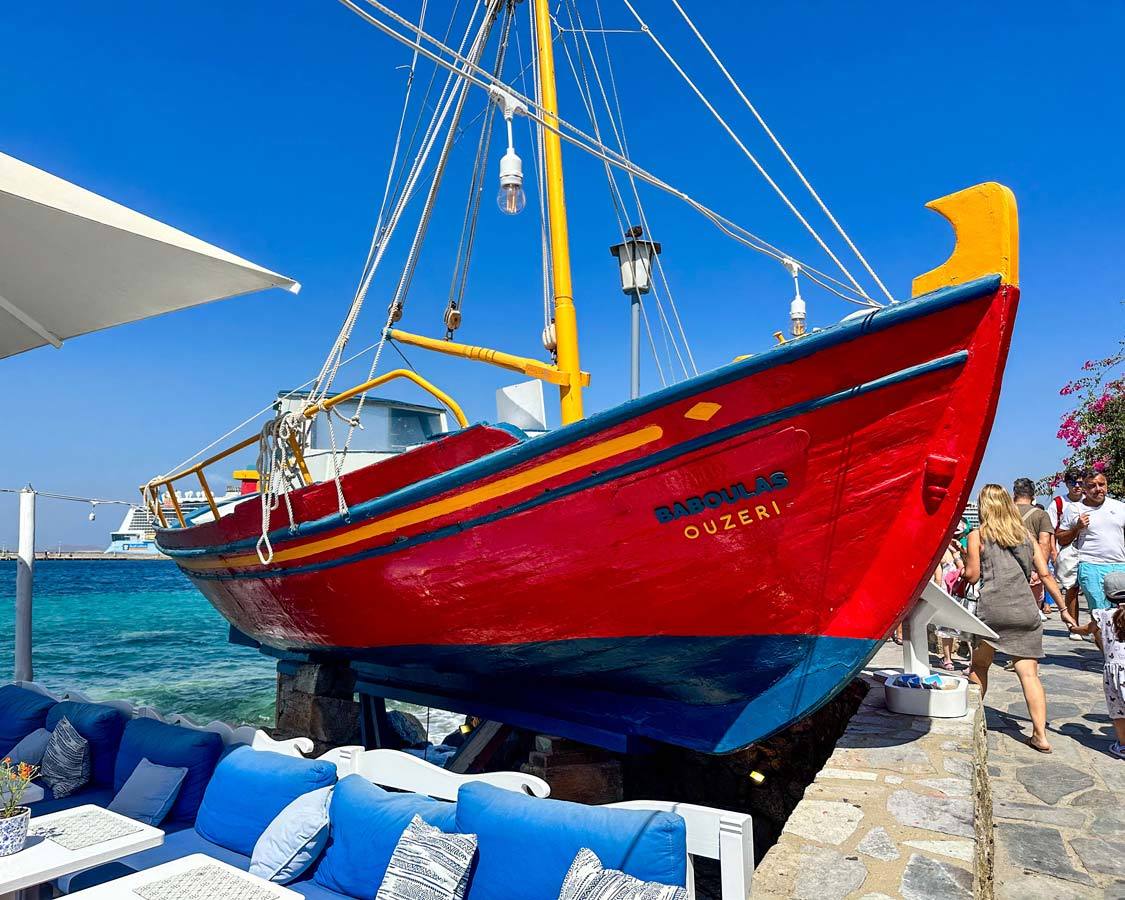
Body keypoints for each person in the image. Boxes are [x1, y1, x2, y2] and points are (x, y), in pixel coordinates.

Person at [964, 484, 1076, 753]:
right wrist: (1064, 610)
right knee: (1029, 675)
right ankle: (1040, 735)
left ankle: (972, 721)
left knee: (980, 666)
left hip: (992, 610)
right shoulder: (1026, 537)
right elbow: (1046, 575)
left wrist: (964, 564)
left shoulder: (977, 535)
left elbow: (972, 575)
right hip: (1025, 610)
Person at [1057, 471, 1125, 649]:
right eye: (1092, 486)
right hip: (1090, 566)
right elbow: (1061, 538)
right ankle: (1108, 654)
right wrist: (1077, 527)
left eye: (1101, 485)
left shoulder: (1120, 507)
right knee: (1101, 615)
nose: (1098, 489)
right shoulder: (1075, 509)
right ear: (1085, 489)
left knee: (1121, 614)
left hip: (1120, 566)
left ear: (1107, 485)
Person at [1068, 572, 1125, 758]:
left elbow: (1087, 629)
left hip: (1114, 672)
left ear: (1107, 594)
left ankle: (1123, 746)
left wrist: (1073, 627)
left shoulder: (1103, 615)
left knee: (1118, 711)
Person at [1049, 467, 1087, 639]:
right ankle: (1074, 624)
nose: (1077, 486)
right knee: (1071, 587)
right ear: (1067, 484)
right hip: (1066, 549)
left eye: (1080, 482)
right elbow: (1050, 530)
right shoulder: (1058, 503)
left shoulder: (1089, 501)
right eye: (1073, 483)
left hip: (1087, 550)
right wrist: (1053, 552)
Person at [1013, 477, 1057, 617]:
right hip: (1031, 567)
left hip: (1007, 567)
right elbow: (1044, 543)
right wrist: (1039, 570)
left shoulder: (1004, 513)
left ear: (1014, 494)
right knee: (1031, 609)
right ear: (1033, 496)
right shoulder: (1041, 515)